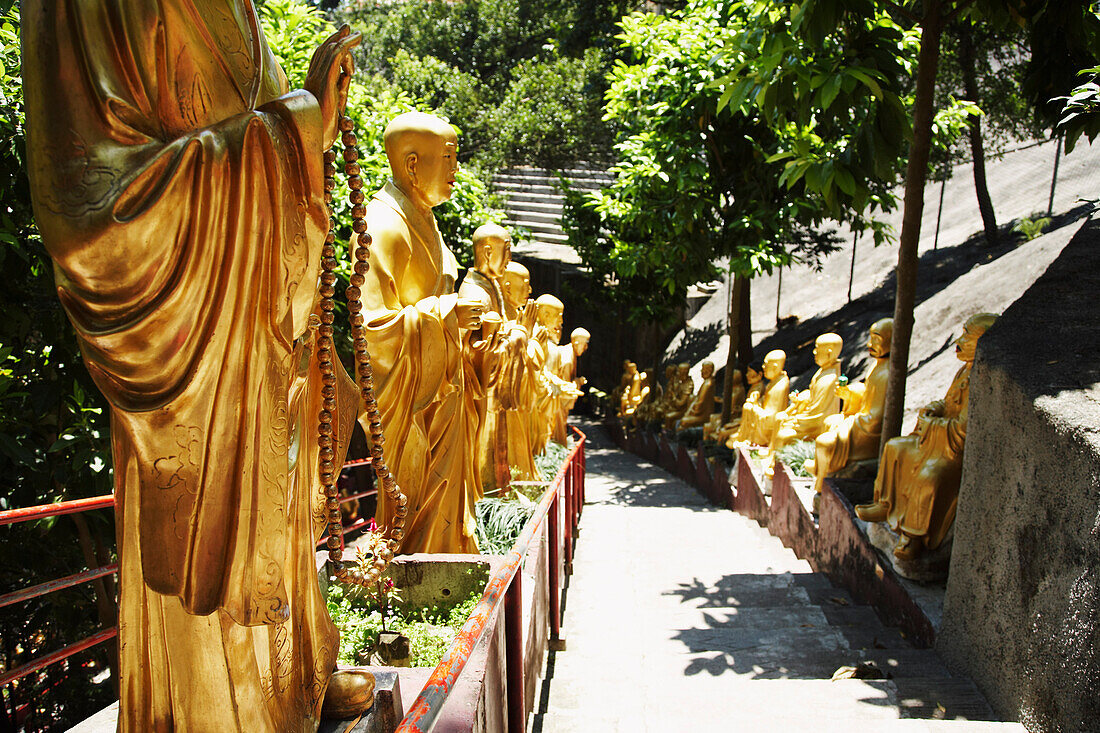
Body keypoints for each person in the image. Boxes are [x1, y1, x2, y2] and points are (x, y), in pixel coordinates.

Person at [23, 2, 369, 727]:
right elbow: (96, 210)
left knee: (280, 508)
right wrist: (295, 129)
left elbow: (271, 144)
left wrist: (311, 125)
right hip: (193, 346)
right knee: (210, 601)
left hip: (265, 347)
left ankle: (298, 676)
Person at [357, 111, 486, 554]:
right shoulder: (384, 225)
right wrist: (446, 314)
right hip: (413, 404)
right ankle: (409, 575)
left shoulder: (427, 220)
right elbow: (373, 329)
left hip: (446, 393)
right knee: (412, 510)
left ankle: (444, 563)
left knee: (446, 511)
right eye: (448, 159)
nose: (455, 171)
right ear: (412, 165)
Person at [856, 314, 998, 561]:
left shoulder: (983, 379)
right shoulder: (964, 371)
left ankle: (913, 536)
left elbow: (964, 430)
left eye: (968, 337)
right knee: (895, 448)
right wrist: (935, 408)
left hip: (951, 452)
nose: (960, 341)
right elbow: (949, 403)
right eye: (962, 333)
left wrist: (932, 424)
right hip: (935, 440)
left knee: (929, 477)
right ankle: (885, 504)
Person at [806, 319, 892, 495]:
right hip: (861, 420)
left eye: (877, 340)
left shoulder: (887, 373)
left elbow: (875, 418)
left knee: (824, 443)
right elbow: (867, 394)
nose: (869, 344)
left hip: (868, 432)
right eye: (870, 338)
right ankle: (820, 468)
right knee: (830, 421)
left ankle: (822, 487)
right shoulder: (877, 366)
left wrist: (851, 420)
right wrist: (852, 394)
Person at [458, 224, 512, 491]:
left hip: (493, 385)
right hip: (478, 388)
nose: (510, 259)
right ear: (488, 252)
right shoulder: (474, 294)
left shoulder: (491, 287)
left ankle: (492, 488)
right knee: (478, 445)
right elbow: (465, 347)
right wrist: (492, 347)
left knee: (493, 446)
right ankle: (478, 494)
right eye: (508, 250)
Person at [730, 351, 789, 447]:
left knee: (748, 407)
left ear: (774, 367)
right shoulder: (773, 382)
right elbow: (765, 401)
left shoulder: (780, 386)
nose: (764, 367)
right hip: (763, 418)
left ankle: (746, 437)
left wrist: (754, 405)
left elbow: (770, 416)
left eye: (765, 365)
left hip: (768, 423)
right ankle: (743, 435)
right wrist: (757, 400)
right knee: (748, 406)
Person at [677, 361, 717, 431]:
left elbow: (700, 403)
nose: (701, 371)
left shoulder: (708, 384)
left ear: (709, 371)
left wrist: (691, 412)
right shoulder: (707, 382)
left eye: (703, 369)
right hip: (699, 412)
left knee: (683, 421)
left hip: (703, 415)